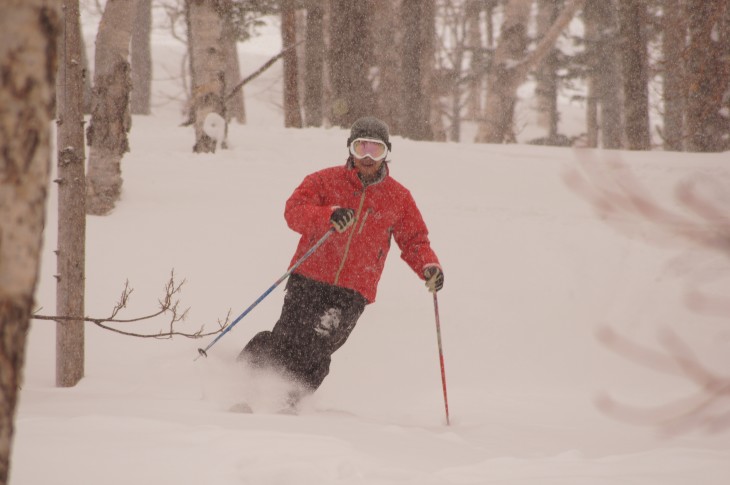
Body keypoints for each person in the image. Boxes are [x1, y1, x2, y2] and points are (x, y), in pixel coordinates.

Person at [238, 116, 444, 409]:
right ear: (350, 149)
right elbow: (294, 211)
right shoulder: (324, 180)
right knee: (289, 339)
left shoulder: (398, 197)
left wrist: (428, 266)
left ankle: (289, 399)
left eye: (377, 150)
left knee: (320, 346)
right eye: (362, 148)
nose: (368, 157)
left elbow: (414, 240)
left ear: (387, 153)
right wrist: (327, 216)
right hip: (309, 277)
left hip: (353, 290)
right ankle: (247, 382)